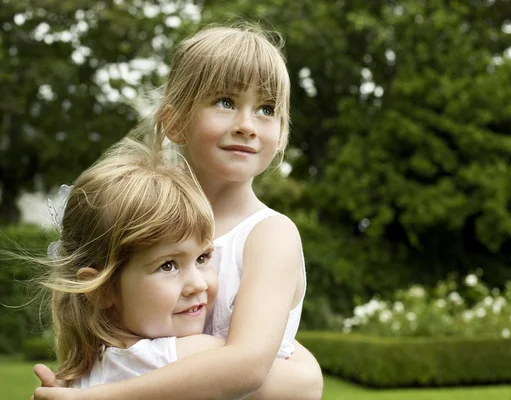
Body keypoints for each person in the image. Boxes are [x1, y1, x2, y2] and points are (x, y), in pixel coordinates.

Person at [33, 23, 323, 400]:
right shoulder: (142, 212)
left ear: (282, 133)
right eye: (225, 102)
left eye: (266, 109)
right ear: (173, 121)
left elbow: (249, 366)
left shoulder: (270, 236)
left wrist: (101, 396)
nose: (247, 126)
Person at [32, 138, 320, 399]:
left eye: (203, 258)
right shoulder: (187, 355)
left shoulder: (94, 366)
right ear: (102, 289)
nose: (198, 284)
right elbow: (305, 384)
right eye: (168, 265)